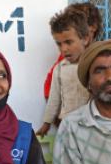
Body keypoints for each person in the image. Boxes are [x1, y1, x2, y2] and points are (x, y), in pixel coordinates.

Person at [36, 9, 91, 137]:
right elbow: (54, 99)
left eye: (68, 42)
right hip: (67, 126)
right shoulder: (60, 68)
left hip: (91, 125)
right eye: (59, 44)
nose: (64, 49)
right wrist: (46, 124)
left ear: (85, 39)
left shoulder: (93, 66)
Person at [43, 2, 102, 100]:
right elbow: (49, 91)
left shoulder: (103, 57)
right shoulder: (65, 59)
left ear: (93, 27)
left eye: (81, 21)